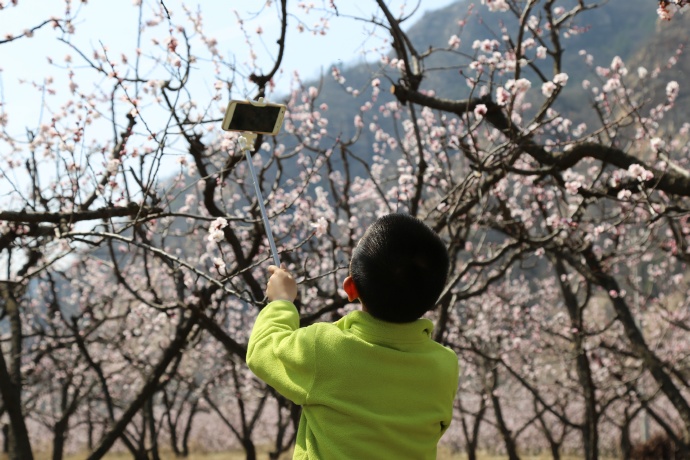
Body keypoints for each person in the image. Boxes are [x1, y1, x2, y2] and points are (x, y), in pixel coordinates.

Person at [246, 213, 459, 459]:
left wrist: (282, 302)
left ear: (350, 288)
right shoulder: (444, 366)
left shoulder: (323, 348)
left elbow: (262, 349)